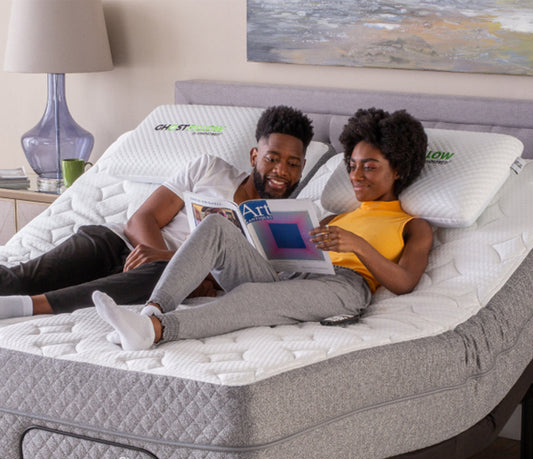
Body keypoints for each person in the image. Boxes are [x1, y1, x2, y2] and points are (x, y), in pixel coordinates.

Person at [92, 107, 434, 350]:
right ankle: (152, 309)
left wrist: (357, 245)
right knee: (216, 226)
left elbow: (404, 283)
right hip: (294, 277)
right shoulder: (332, 218)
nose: (356, 176)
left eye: (370, 167)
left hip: (346, 286)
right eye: (353, 166)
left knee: (253, 297)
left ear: (399, 169)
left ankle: (156, 331)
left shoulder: (413, 226)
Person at [0, 105, 314, 319]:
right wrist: (156, 252)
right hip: (115, 244)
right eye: (272, 158)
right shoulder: (209, 169)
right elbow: (142, 219)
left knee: (164, 276)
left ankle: (29, 308)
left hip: (159, 276)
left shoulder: (284, 225)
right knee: (15, 279)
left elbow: (247, 282)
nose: (281, 171)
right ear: (254, 155)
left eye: (293, 163)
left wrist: (171, 264)